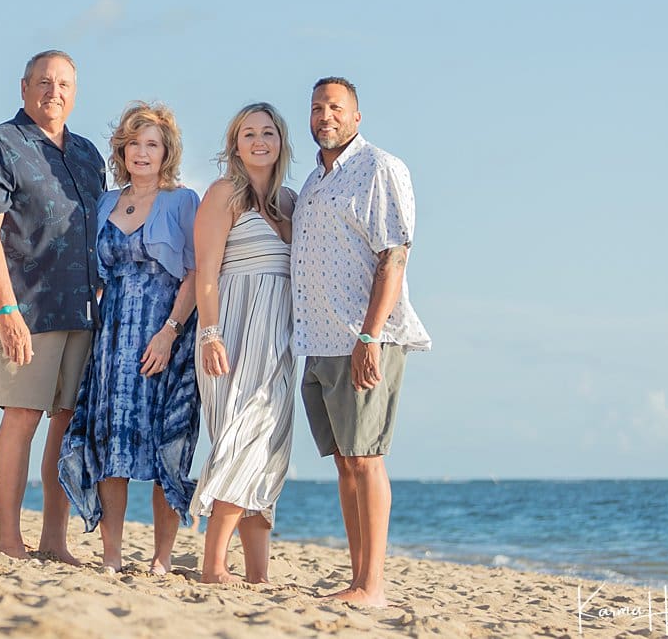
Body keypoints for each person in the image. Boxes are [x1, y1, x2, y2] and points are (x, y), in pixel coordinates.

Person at [0, 50, 106, 561]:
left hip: (84, 314)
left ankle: (54, 541)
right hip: (27, 310)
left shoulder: (89, 156)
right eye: (43, 82)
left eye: (64, 83)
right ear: (24, 88)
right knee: (21, 418)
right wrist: (5, 311)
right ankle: (8, 538)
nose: (54, 91)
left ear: (75, 91)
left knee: (64, 425)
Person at [292, 77, 431, 607]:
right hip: (319, 341)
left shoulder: (380, 168)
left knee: (367, 457)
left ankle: (372, 585)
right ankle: (356, 578)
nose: (325, 116)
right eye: (316, 108)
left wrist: (370, 335)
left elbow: (393, 256)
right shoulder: (313, 182)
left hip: (364, 338)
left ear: (356, 116)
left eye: (335, 107)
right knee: (345, 461)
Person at [58, 102, 200, 574]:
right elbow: (96, 276)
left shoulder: (183, 201)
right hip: (113, 339)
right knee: (110, 447)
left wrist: (169, 334)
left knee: (167, 447)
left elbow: (196, 275)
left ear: (167, 152)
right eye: (134, 144)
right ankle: (112, 555)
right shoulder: (105, 203)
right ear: (122, 150)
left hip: (165, 336)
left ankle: (162, 559)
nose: (142, 153)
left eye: (152, 145)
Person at [190, 103, 297, 585]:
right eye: (248, 133)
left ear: (281, 142)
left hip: (277, 337)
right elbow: (206, 271)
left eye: (268, 132)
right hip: (230, 330)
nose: (259, 140)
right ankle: (213, 565)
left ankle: (257, 573)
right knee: (241, 441)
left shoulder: (291, 203)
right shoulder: (223, 194)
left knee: (269, 444)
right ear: (235, 144)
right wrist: (210, 333)